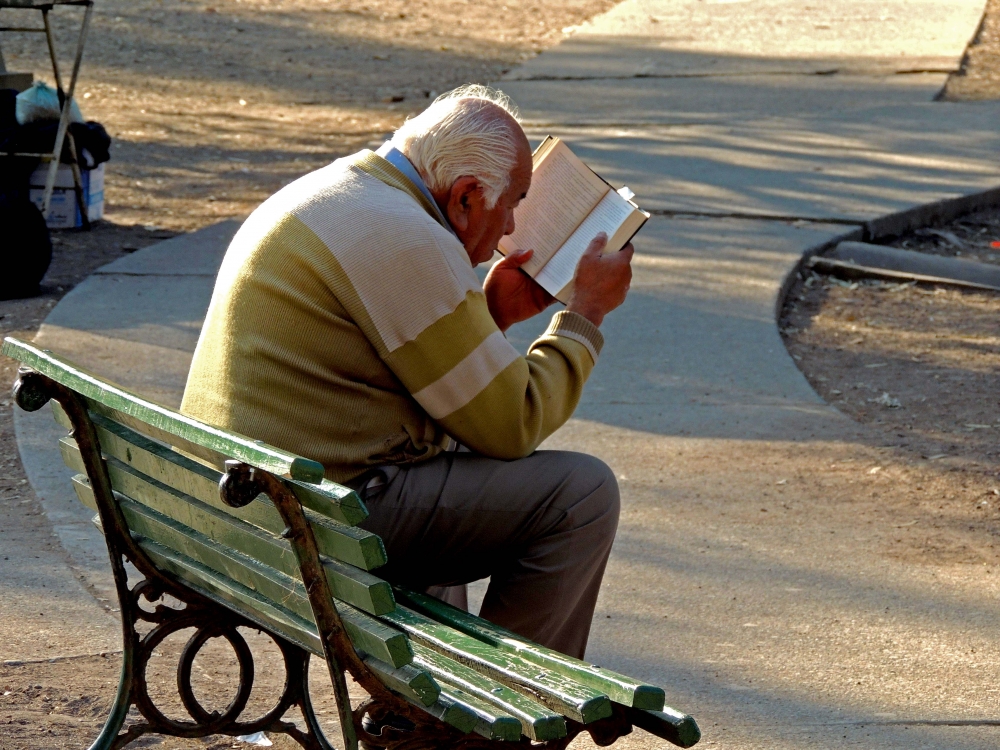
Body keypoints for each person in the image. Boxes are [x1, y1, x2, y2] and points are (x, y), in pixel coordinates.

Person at [181, 85, 634, 660]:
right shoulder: (409, 240)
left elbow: (427, 384)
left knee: (450, 479)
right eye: (513, 203)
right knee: (581, 495)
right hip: (303, 518)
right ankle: (498, 724)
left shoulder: (345, 191)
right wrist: (586, 314)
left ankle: (430, 712)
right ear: (468, 196)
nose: (511, 227)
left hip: (238, 497)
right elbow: (513, 424)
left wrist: (490, 315)